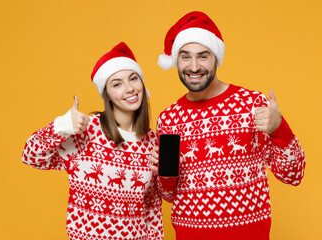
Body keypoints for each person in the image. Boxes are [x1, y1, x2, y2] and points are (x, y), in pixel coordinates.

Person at [148, 11, 306, 240]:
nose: (193, 67)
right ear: (176, 60)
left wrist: (278, 128)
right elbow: (168, 195)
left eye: (203, 56)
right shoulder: (169, 119)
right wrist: (165, 173)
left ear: (216, 58)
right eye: (185, 57)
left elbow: (294, 174)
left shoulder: (252, 104)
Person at [22, 42, 163, 240]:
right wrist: (61, 126)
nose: (129, 88)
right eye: (117, 84)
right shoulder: (86, 130)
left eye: (133, 79)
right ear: (107, 94)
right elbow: (31, 156)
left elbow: (152, 209)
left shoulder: (153, 141)